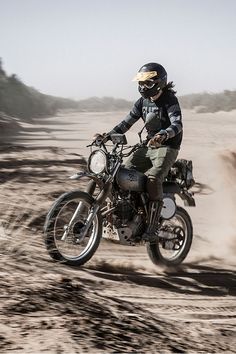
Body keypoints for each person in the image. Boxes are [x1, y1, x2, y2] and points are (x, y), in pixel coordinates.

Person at [105, 62, 183, 241]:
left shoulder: (170, 100)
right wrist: (108, 135)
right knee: (121, 173)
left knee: (153, 178)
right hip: (148, 146)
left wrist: (164, 135)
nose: (142, 87)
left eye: (147, 83)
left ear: (159, 82)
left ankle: (153, 227)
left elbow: (177, 124)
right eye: (141, 83)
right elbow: (126, 123)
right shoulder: (142, 102)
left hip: (167, 147)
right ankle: (128, 213)